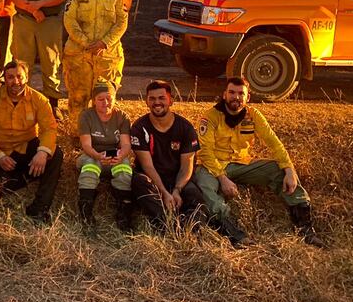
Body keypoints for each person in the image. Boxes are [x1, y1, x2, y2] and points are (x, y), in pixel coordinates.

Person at [194, 77, 324, 247]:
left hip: (242, 163)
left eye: (241, 93)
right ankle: (234, 234)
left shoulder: (253, 115)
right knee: (203, 185)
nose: (236, 97)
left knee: (278, 170)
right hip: (212, 166)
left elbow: (273, 142)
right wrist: (222, 177)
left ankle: (305, 229)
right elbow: (205, 151)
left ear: (247, 98)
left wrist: (289, 169)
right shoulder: (209, 117)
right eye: (232, 92)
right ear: (224, 94)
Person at [0, 60, 63, 223]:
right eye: (10, 77)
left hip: (26, 150)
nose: (15, 82)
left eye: (20, 76)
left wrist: (42, 152)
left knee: (56, 154)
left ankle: (40, 208)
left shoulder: (39, 99)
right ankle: (23, 178)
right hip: (0, 153)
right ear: (5, 78)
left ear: (27, 77)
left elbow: (49, 129)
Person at [130, 80, 207, 231]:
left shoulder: (186, 128)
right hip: (152, 179)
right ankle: (167, 225)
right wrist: (165, 193)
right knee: (139, 181)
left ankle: (188, 228)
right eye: (152, 99)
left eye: (161, 98)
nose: (157, 102)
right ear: (146, 101)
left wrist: (177, 190)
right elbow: (147, 166)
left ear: (171, 100)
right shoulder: (139, 127)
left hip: (178, 179)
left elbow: (187, 166)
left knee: (196, 199)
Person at [63, 0, 129, 132]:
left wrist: (104, 43)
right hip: (79, 55)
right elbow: (69, 20)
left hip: (108, 57)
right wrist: (86, 43)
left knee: (104, 98)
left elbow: (122, 23)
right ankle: (78, 136)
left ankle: (105, 137)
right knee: (78, 97)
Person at [8, 0, 68, 118]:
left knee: (51, 61)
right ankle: (21, 99)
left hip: (49, 21)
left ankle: (52, 104)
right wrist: (32, 11)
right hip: (24, 21)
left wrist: (39, 5)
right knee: (21, 61)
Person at [76, 80, 134, 232]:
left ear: (115, 98)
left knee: (125, 168)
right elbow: (86, 145)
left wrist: (121, 156)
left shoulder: (122, 116)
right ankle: (85, 211)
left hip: (114, 153)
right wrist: (97, 155)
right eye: (100, 99)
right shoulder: (86, 116)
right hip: (93, 153)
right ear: (94, 101)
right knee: (90, 165)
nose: (105, 102)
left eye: (109, 98)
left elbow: (126, 144)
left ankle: (123, 211)